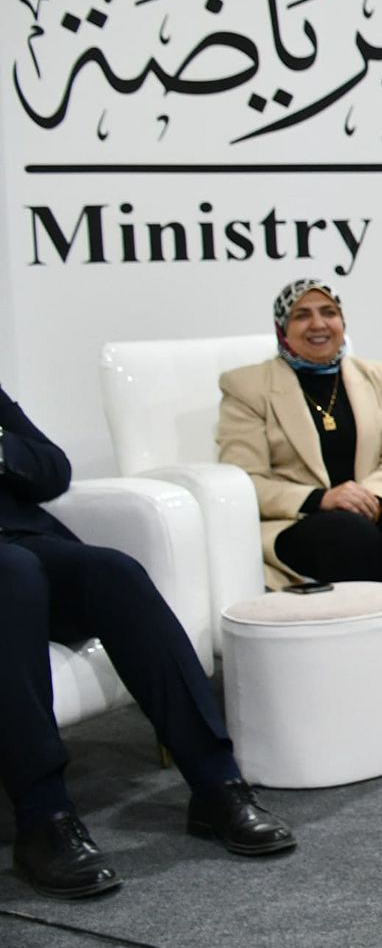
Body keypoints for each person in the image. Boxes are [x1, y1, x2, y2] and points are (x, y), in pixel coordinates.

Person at [4, 384, 294, 899]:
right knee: (16, 575)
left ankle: (217, 784)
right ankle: (43, 817)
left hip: (24, 542)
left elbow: (54, 469)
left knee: (116, 572)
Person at [217, 279, 382, 623]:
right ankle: (358, 644)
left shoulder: (375, 376)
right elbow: (245, 479)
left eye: (329, 312)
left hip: (368, 509)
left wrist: (370, 495)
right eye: (302, 315)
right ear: (283, 329)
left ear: (342, 322)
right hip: (298, 521)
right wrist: (322, 499)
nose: (318, 324)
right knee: (347, 533)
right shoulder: (248, 387)